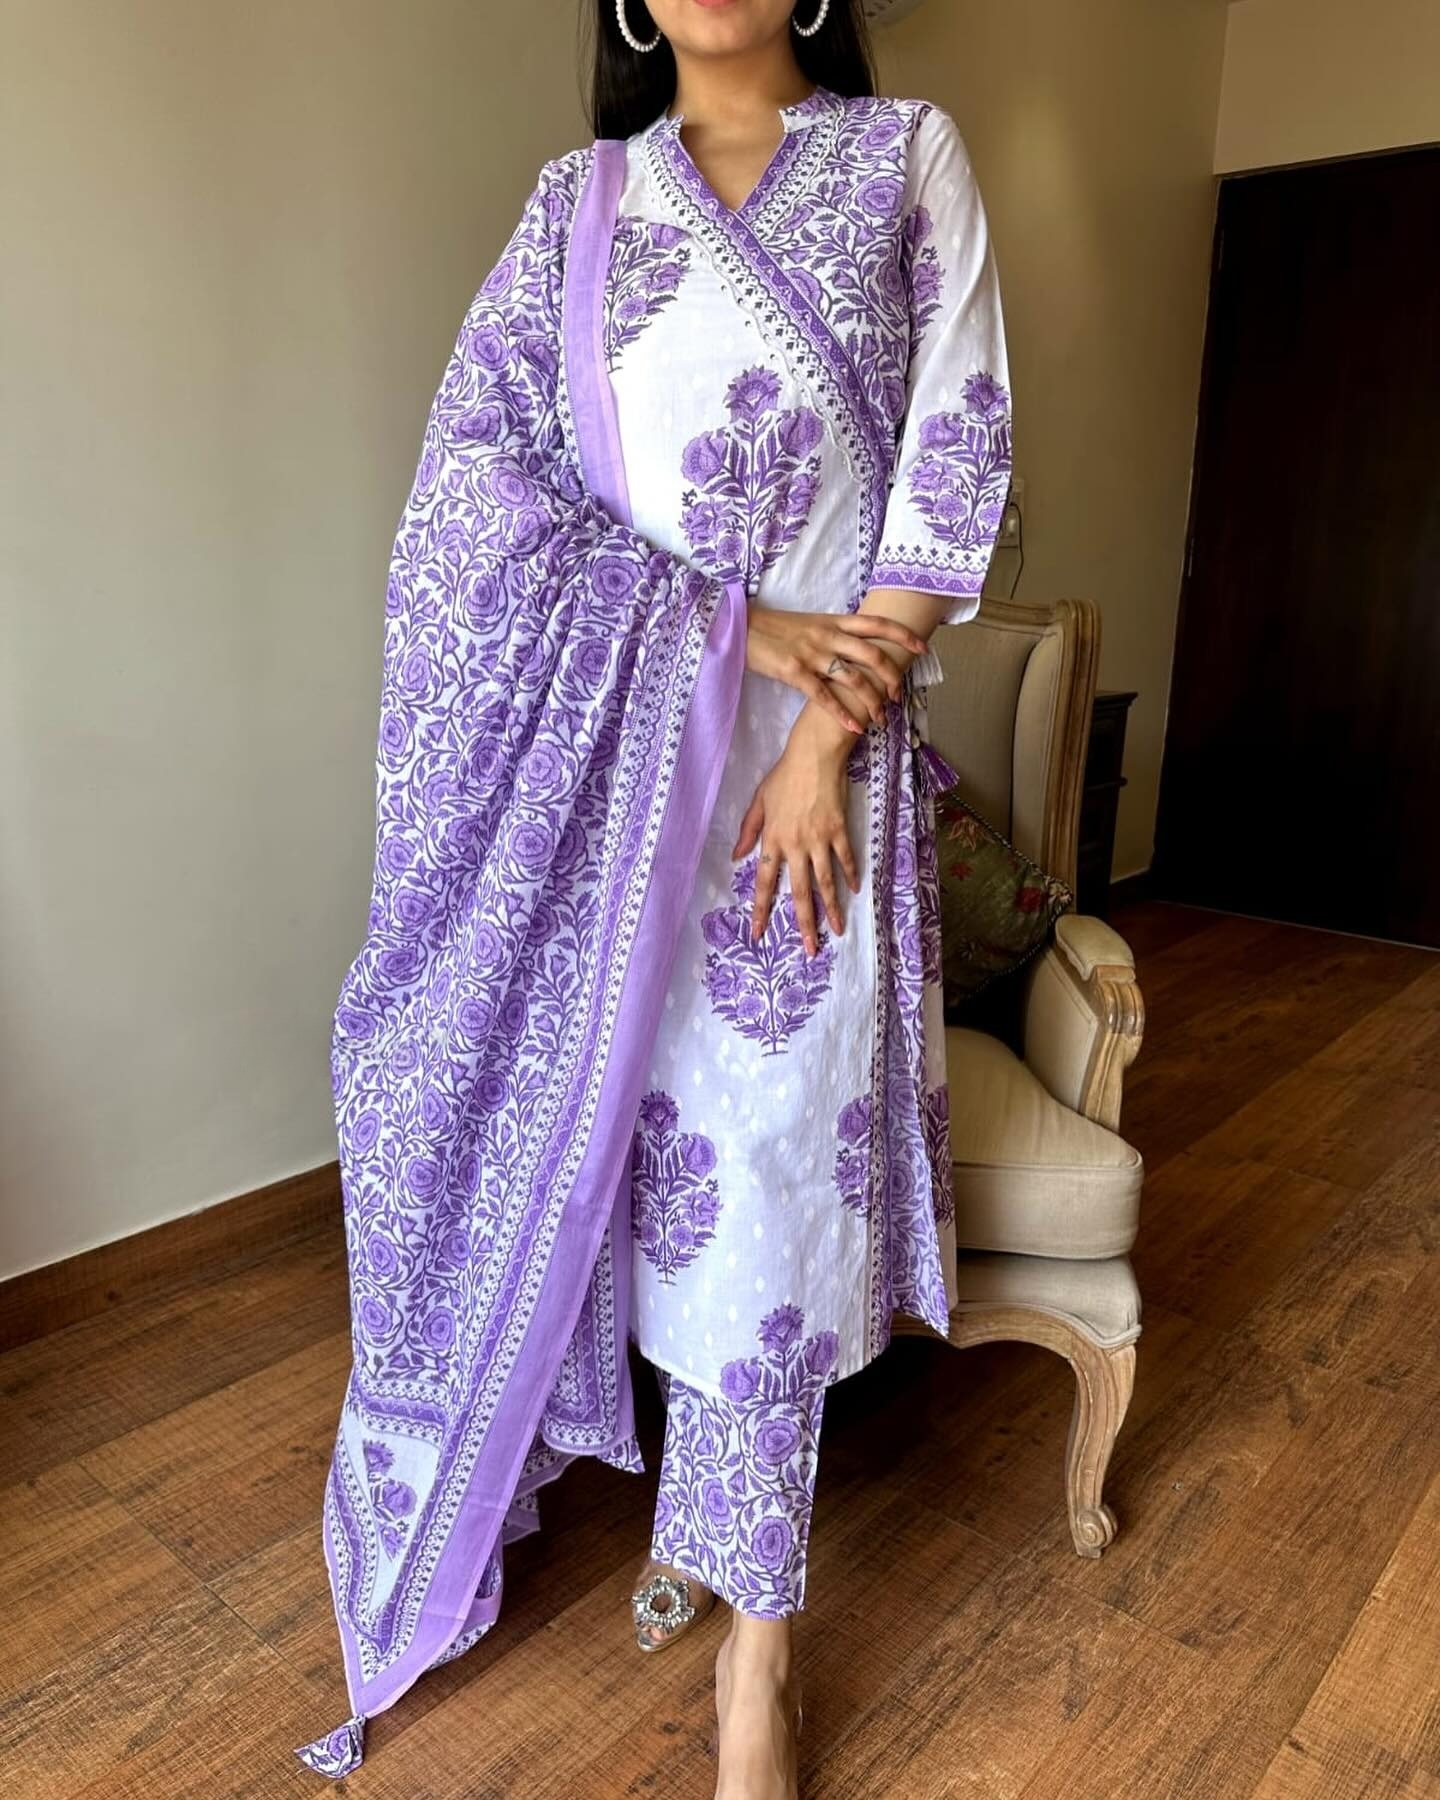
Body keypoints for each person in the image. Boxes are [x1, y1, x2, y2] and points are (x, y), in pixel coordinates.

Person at [296, 2, 1011, 1795]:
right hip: (612, 796)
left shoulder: (907, 161)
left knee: (757, 1211)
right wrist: (723, 635)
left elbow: (954, 465)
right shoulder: (578, 206)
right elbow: (472, 504)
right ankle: (692, 1520)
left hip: (812, 796)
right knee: (633, 1178)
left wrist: (818, 737)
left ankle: (759, 1667)